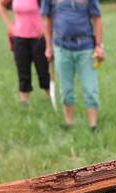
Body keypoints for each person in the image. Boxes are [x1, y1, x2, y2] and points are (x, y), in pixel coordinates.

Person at [41, 0, 104, 130]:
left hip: (86, 48)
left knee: (90, 89)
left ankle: (93, 126)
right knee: (66, 89)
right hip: (62, 47)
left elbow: (97, 19)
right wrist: (48, 46)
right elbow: (47, 20)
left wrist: (98, 46)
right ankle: (69, 123)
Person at [0, 0, 51, 106]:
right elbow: (1, 4)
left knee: (43, 70)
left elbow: (51, 11)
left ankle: (50, 98)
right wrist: (9, 25)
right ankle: (24, 101)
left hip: (39, 37)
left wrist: (46, 30)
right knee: (23, 70)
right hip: (19, 37)